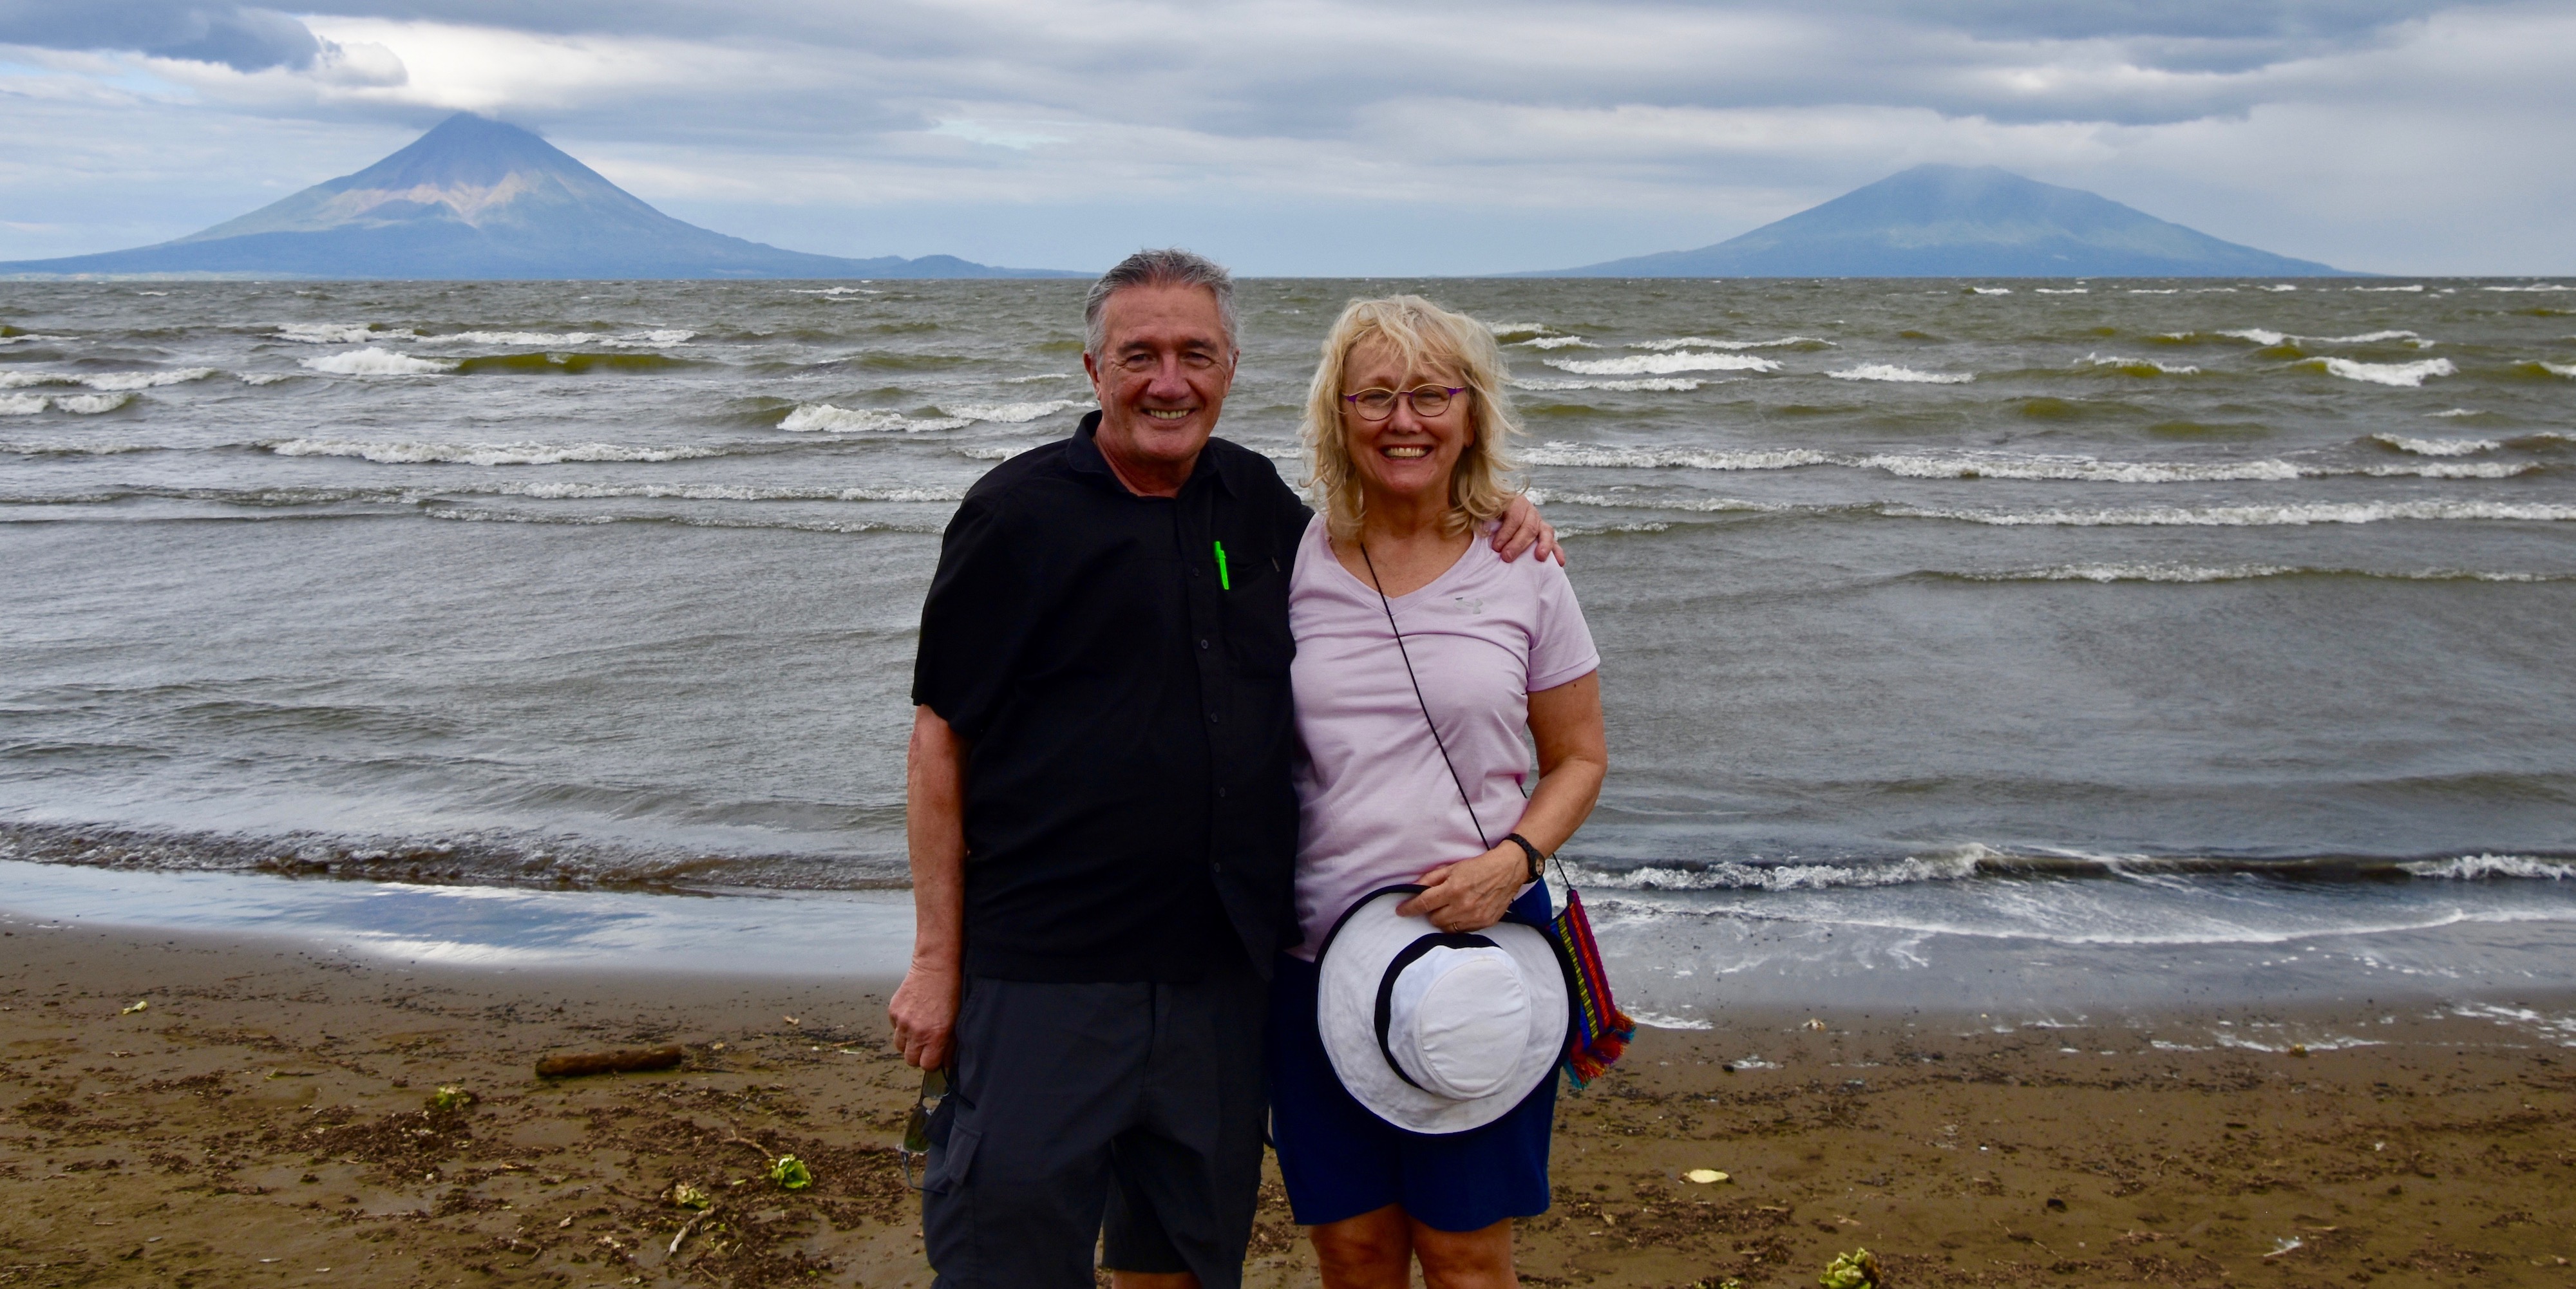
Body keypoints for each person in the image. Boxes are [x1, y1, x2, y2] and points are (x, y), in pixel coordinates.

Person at [889, 252, 1558, 1289]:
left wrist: (1498, 512)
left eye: (1195, 354)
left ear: (1232, 367)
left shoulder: (1255, 504)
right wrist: (937, 960)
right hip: (1051, 970)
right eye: (1139, 355)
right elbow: (940, 740)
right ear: (1093, 368)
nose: (1169, 380)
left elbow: (1393, 542)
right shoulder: (1015, 515)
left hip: (1223, 973)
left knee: (1183, 1255)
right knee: (1008, 1250)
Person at [1267, 296, 1608, 1289]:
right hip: (1313, 960)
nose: (1402, 419)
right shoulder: (1289, 557)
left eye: (1429, 394)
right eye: (1374, 395)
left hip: (1480, 955)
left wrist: (1514, 861)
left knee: (1466, 1255)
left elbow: (1579, 757)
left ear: (1471, 412)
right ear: (1337, 414)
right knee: (1354, 1251)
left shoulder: (1525, 565)